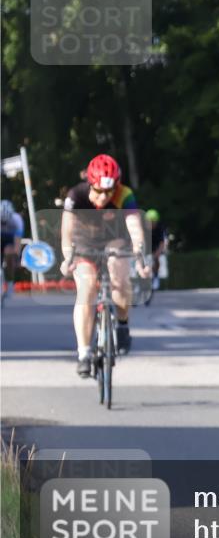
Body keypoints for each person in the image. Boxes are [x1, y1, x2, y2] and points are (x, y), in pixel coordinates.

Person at [60, 154, 150, 377]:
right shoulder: (76, 195)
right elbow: (66, 232)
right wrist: (67, 256)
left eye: (109, 192)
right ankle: (83, 353)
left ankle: (122, 324)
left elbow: (134, 225)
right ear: (90, 184)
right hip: (84, 242)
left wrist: (140, 252)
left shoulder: (124, 195)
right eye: (99, 191)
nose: (104, 196)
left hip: (114, 239)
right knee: (87, 288)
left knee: (119, 275)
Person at [1, 199, 25, 300]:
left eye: (6, 222)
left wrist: (17, 259)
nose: (4, 224)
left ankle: (10, 284)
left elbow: (17, 245)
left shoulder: (17, 220)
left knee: (10, 256)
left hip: (11, 239)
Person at [146, 209, 169, 290]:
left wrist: (156, 254)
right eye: (149, 221)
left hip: (156, 245)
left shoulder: (160, 228)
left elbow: (162, 243)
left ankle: (155, 276)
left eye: (153, 222)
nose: (151, 224)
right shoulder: (143, 227)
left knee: (156, 259)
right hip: (147, 244)